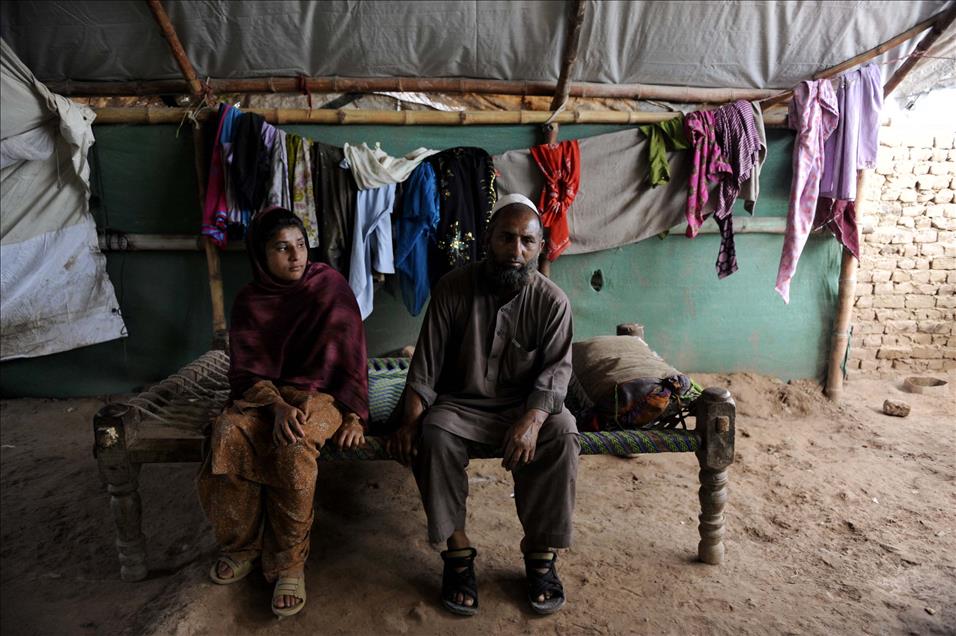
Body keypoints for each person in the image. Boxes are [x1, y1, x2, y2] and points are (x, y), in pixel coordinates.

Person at [387, 193, 579, 616]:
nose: (516, 252)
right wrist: (408, 424)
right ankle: (458, 553)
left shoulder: (552, 302)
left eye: (527, 242)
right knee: (432, 432)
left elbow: (555, 375)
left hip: (526, 408)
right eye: (506, 239)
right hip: (462, 406)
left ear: (539, 247)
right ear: (488, 239)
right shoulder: (453, 289)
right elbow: (426, 368)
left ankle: (539, 553)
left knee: (563, 431)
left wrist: (532, 420)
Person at [197, 207, 369, 618]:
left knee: (293, 450)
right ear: (261, 254)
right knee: (225, 434)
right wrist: (274, 406)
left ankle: (289, 560)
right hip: (262, 396)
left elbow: (351, 360)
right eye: (281, 248)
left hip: (321, 396)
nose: (296, 255)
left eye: (300, 245)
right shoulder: (250, 301)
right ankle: (242, 545)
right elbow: (243, 373)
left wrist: (353, 416)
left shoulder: (329, 285)